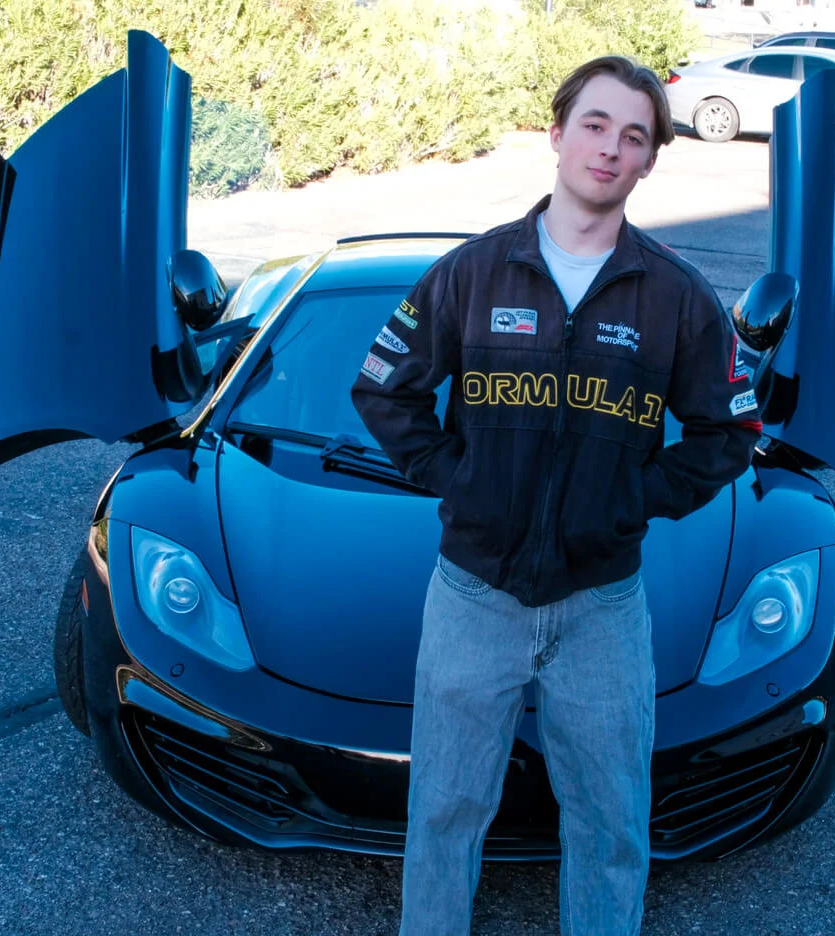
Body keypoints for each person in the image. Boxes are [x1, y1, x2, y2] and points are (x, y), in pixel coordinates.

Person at [351, 55, 762, 936]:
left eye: (634, 136)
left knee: (611, 823)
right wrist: (457, 480)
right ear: (557, 133)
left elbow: (730, 431)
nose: (610, 148)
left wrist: (633, 499)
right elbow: (382, 388)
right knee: (444, 813)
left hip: (602, 605)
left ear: (649, 161)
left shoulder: (677, 297)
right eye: (595, 125)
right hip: (473, 594)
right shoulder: (472, 273)